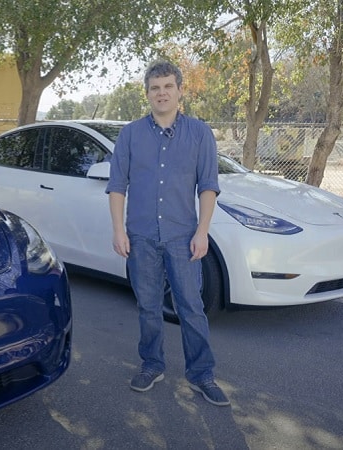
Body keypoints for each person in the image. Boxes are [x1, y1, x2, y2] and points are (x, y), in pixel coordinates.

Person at [106, 60, 230, 407]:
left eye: (167, 87)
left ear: (179, 91)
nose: (161, 93)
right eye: (155, 88)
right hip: (141, 237)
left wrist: (203, 232)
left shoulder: (199, 133)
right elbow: (117, 187)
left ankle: (202, 373)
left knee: (191, 307)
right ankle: (151, 364)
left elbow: (208, 186)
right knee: (147, 306)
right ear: (147, 93)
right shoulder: (130, 134)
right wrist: (119, 231)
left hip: (182, 237)